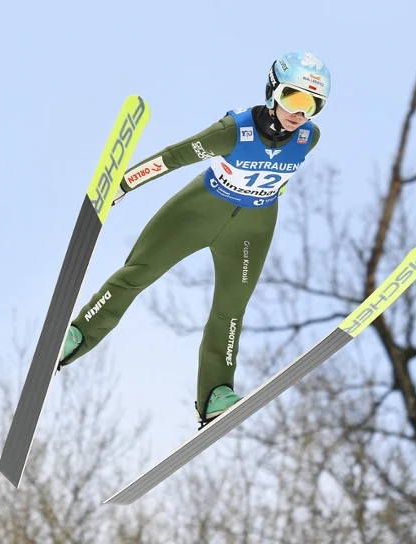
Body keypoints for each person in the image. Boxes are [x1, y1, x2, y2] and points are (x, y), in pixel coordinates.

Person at [57, 51, 330, 427]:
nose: (299, 113)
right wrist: (123, 183)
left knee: (230, 311)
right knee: (138, 272)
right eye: (293, 98)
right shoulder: (233, 131)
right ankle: (76, 334)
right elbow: (176, 156)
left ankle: (216, 393)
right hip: (199, 210)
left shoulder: (308, 138)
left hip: (252, 227)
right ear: (272, 91)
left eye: (312, 105)